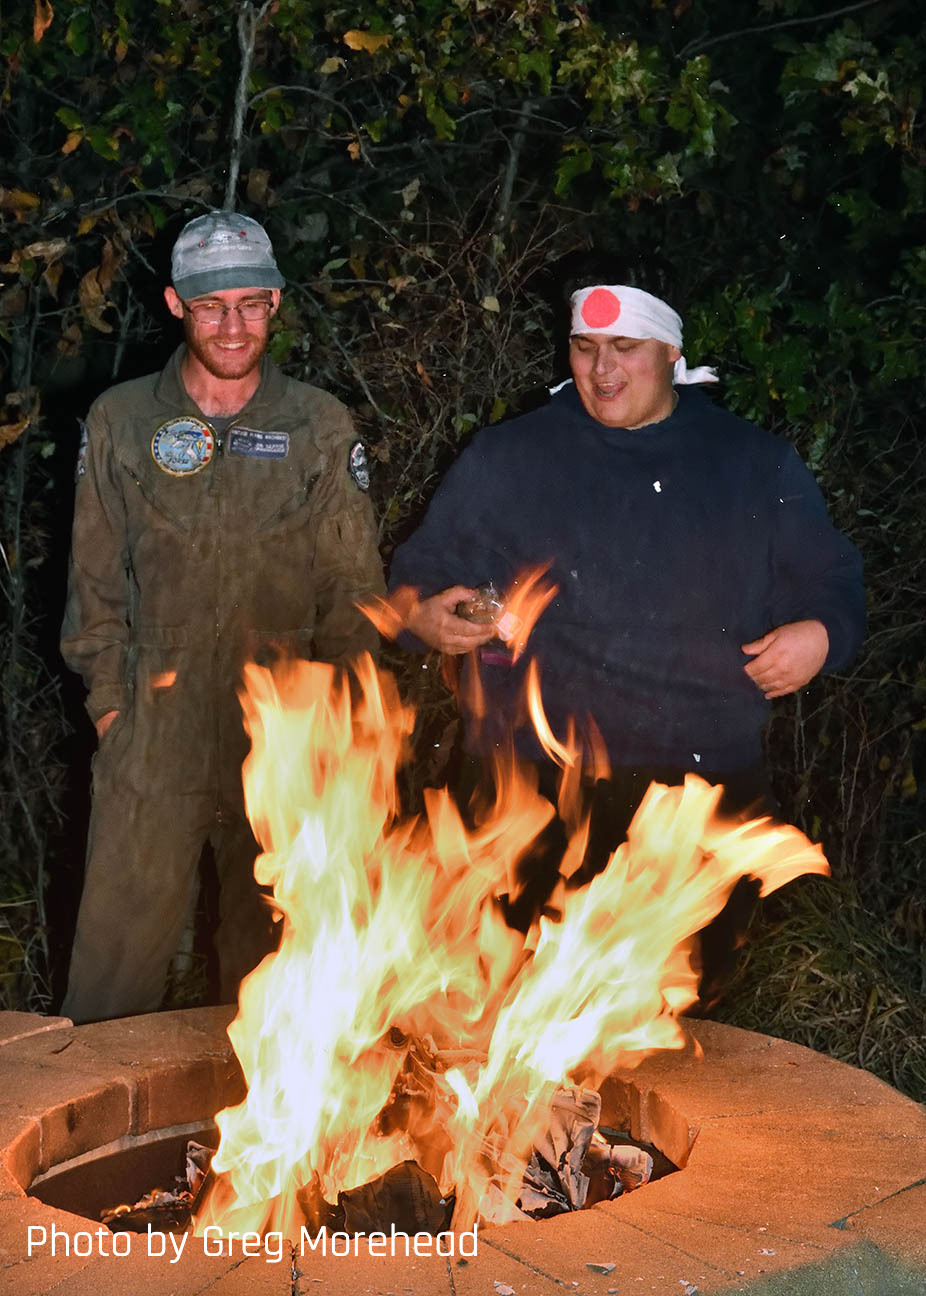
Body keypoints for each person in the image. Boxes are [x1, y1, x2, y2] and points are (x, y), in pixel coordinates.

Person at [387, 270, 865, 983]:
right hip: (524, 786)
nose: (602, 370)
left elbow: (835, 584)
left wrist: (820, 635)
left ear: (671, 352)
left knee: (666, 1030)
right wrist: (423, 612)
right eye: (583, 348)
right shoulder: (511, 456)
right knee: (490, 1016)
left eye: (624, 347)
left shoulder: (753, 464)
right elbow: (416, 574)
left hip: (692, 796)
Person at [61, 211, 385, 1023]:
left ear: (275, 303)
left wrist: (344, 732)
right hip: (151, 735)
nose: (232, 326)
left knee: (274, 989)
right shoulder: (121, 420)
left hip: (283, 731)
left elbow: (351, 592)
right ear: (176, 304)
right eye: (211, 306)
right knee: (111, 981)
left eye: (249, 303)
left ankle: (250, 1150)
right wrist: (111, 707)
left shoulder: (318, 425)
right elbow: (93, 584)